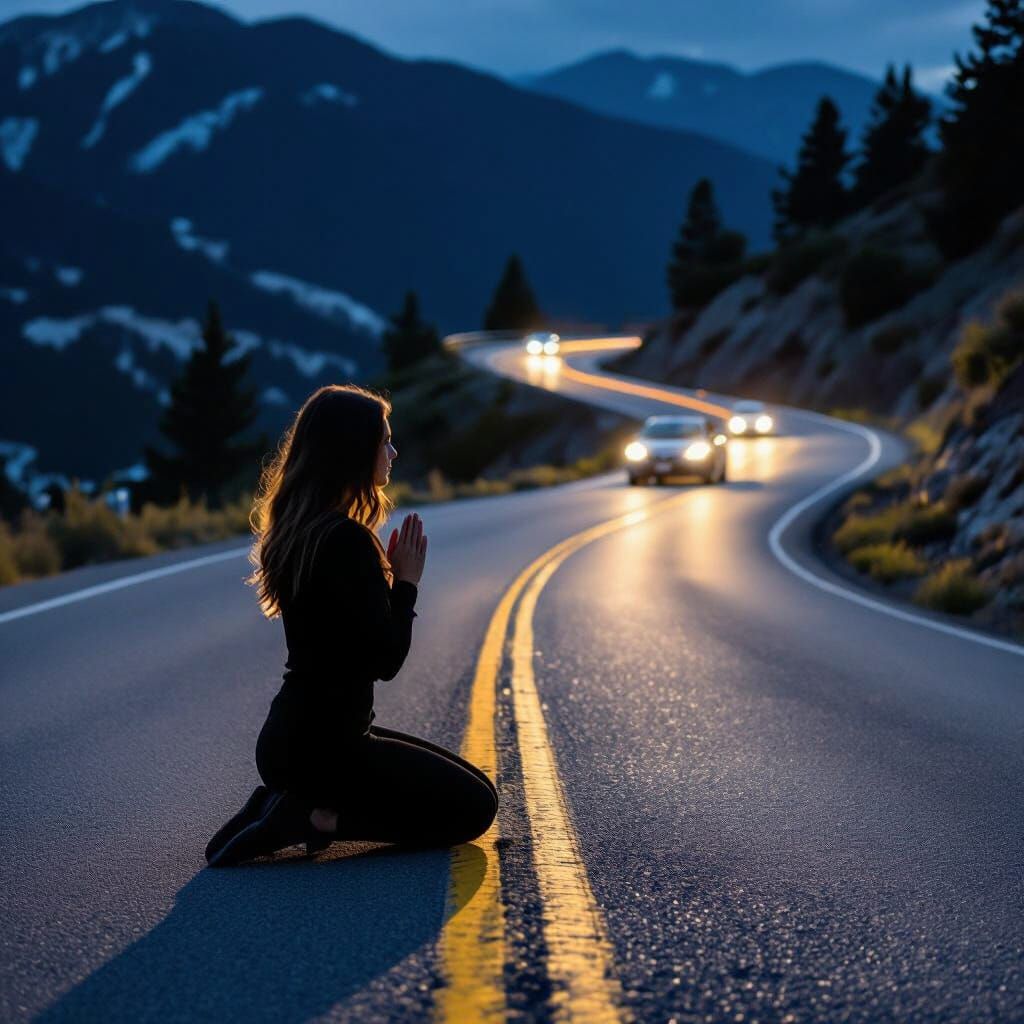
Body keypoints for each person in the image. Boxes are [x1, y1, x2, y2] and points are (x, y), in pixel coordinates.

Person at [205, 384, 498, 867]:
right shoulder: (345, 541)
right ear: (353, 450)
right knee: (474, 810)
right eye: (384, 440)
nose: (393, 451)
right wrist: (406, 584)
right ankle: (311, 818)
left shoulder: (306, 530)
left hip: (295, 741)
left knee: (477, 785)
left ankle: (279, 803)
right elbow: (385, 661)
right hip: (326, 750)